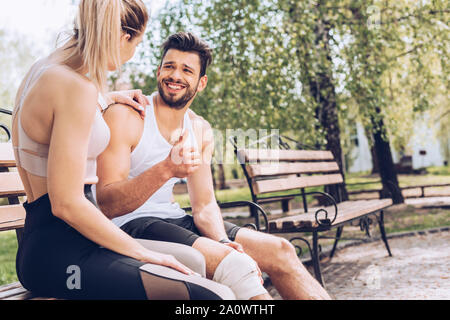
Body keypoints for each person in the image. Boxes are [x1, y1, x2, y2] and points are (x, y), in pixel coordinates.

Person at [12, 1, 234, 300]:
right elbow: (66, 205)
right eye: (137, 42)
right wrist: (143, 253)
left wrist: (105, 99)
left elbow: (55, 117)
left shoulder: (47, 69)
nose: (133, 54)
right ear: (122, 37)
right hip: (63, 256)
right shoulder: (76, 88)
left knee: (192, 265)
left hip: (47, 244)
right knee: (212, 297)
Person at [94, 32, 331, 300]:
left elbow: (204, 206)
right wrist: (166, 169)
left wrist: (222, 241)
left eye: (187, 70)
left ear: (201, 82)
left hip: (175, 219)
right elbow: (106, 205)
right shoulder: (127, 117)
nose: (175, 76)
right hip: (132, 224)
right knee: (238, 268)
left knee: (282, 251)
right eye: (169, 66)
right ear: (159, 71)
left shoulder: (199, 129)